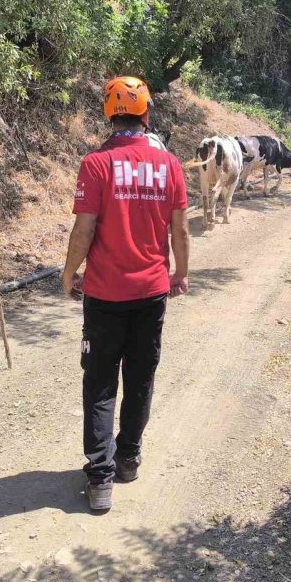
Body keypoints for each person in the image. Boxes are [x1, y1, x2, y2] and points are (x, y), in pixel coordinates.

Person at [61, 76, 190, 512]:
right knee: (140, 377)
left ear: (108, 113)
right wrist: (181, 273)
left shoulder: (96, 163)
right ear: (146, 113)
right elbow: (180, 229)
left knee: (100, 382)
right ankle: (128, 459)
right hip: (151, 292)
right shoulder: (169, 164)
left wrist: (69, 273)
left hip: (104, 294)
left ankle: (100, 479)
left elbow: (84, 228)